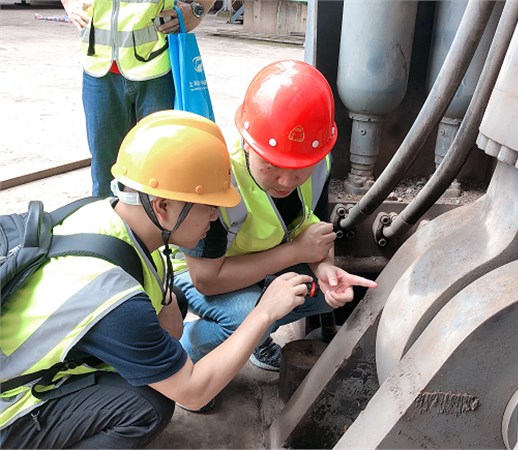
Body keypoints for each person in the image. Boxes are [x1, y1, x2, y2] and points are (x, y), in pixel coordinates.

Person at [0, 111, 314, 448]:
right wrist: (265, 311)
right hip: (9, 407)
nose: (215, 215)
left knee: (172, 300)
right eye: (208, 205)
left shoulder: (103, 213)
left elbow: (171, 330)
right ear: (162, 207)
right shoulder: (115, 300)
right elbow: (193, 393)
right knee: (148, 406)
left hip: (29, 359)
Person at [175, 60, 378, 372]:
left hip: (260, 260)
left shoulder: (318, 164)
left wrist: (326, 270)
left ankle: (255, 338)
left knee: (320, 294)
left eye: (298, 170)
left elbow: (316, 231)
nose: (285, 181)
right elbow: (206, 280)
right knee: (248, 313)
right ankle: (192, 346)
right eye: (271, 165)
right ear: (246, 142)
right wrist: (296, 253)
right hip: (197, 272)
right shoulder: (220, 178)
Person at [61, 0, 215, 197]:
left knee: (159, 169)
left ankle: (159, 225)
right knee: (104, 171)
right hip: (99, 66)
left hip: (156, 65)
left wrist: (197, 9)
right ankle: (105, 225)